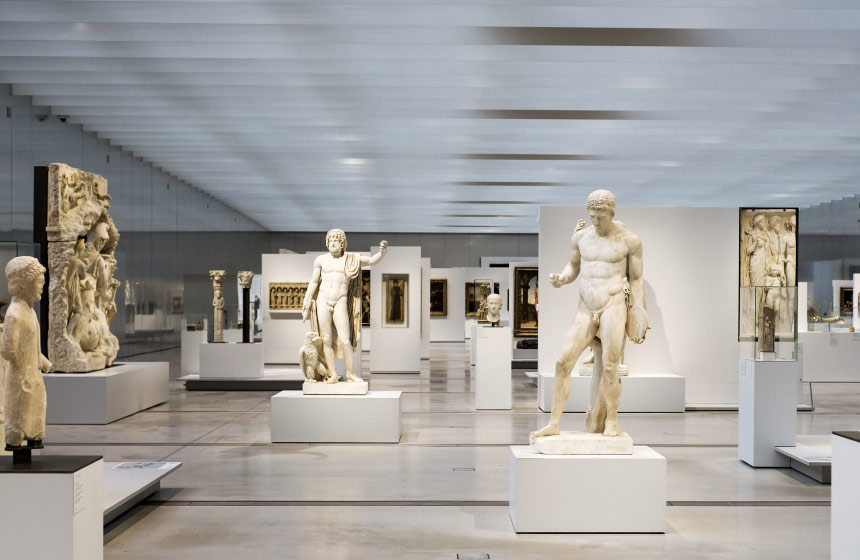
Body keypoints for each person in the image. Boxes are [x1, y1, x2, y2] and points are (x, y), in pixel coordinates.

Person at [530, 190, 647, 440]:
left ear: (612, 213)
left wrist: (638, 313)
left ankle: (612, 422)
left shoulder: (630, 240)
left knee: (610, 366)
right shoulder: (581, 237)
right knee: (562, 361)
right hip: (586, 307)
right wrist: (563, 278)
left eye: (601, 217)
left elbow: (636, 279)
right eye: (592, 216)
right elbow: (573, 265)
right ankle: (553, 423)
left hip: (613, 305)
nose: (596, 222)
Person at [303, 230, 387, 382]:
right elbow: (314, 282)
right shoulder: (320, 260)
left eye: (336, 241)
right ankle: (333, 374)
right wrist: (307, 301)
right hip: (323, 299)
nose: (332, 243)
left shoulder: (351, 259)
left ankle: (350, 373)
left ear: (342, 244)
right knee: (326, 339)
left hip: (340, 300)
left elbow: (372, 261)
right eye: (330, 241)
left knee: (345, 339)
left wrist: (382, 252)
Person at [1, 257, 52, 451]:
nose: (42, 287)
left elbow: (33, 344)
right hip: (21, 377)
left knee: (37, 411)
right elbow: (7, 350)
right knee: (18, 416)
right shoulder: (14, 314)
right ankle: (16, 440)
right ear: (23, 283)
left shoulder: (30, 312)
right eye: (39, 282)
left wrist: (41, 360)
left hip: (34, 375)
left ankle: (34, 436)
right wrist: (25, 361)